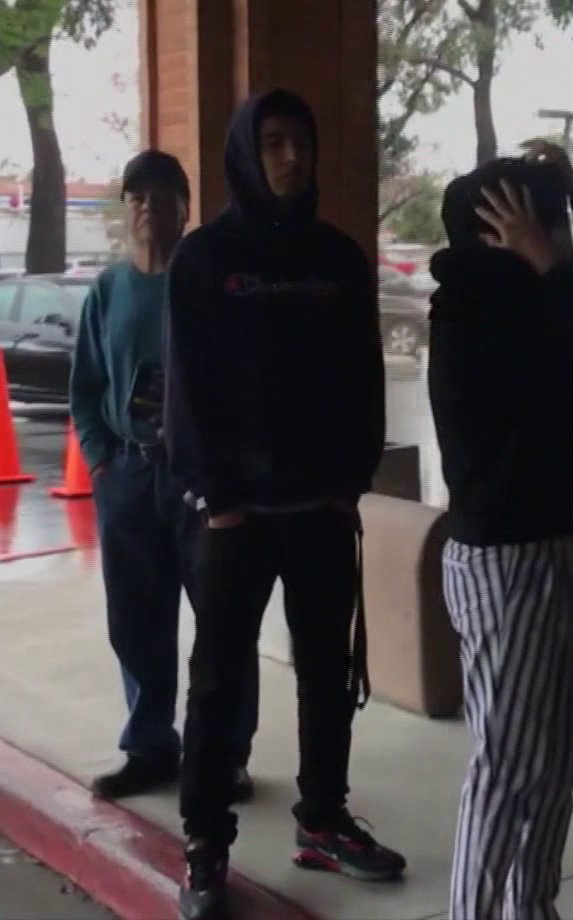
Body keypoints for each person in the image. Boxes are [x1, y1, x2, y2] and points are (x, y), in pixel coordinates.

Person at [166, 89, 401, 920]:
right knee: (218, 684)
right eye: (272, 142)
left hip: (319, 511)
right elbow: (187, 391)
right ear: (244, 153)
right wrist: (219, 498)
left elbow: (363, 379)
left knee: (327, 676)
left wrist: (350, 482)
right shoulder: (204, 261)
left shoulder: (339, 259)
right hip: (235, 519)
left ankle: (324, 819)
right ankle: (204, 843)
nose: (290, 157)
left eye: (300, 141)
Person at [428, 150, 573, 920]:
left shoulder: (540, 293)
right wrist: (544, 261)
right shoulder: (474, 307)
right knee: (507, 763)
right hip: (503, 557)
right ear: (498, 229)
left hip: (560, 539)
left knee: (555, 757)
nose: (556, 234)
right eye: (541, 218)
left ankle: (531, 906)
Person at [69, 150, 259, 801]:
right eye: (136, 197)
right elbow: (85, 387)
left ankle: (224, 753)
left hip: (201, 479)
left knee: (222, 619)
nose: (147, 206)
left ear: (185, 207)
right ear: (125, 212)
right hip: (127, 477)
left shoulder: (209, 283)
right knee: (136, 620)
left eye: (161, 194)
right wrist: (101, 460)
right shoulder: (107, 292)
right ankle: (150, 746)